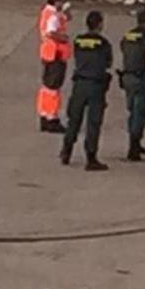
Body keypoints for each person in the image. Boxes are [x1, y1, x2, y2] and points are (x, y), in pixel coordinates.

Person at [60, 11, 113, 171]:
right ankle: (91, 158)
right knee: (93, 122)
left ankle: (66, 150)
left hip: (80, 83)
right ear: (99, 24)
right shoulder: (103, 43)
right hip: (96, 84)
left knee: (74, 119)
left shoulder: (79, 41)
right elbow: (108, 62)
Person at [120, 8, 145, 161]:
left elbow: (124, 50)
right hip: (141, 77)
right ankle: (134, 146)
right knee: (140, 112)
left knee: (132, 110)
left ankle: (135, 141)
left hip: (127, 76)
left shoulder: (127, 35)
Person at [36, 0, 71, 132]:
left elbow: (66, 18)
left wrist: (66, 12)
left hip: (48, 53)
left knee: (46, 86)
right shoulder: (53, 16)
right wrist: (63, 38)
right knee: (53, 88)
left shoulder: (49, 12)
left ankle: (44, 114)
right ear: (55, 1)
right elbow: (51, 32)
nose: (63, 3)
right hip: (56, 53)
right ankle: (52, 117)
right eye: (61, 1)